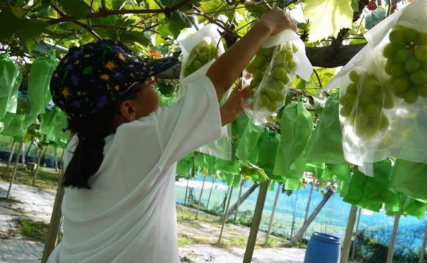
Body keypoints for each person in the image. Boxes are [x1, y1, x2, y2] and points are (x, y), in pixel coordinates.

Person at [47, 7, 296, 263]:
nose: (155, 81)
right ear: (129, 109)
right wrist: (267, 25)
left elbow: (152, 158)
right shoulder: (138, 138)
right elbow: (217, 81)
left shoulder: (79, 147)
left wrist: (218, 115)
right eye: (147, 82)